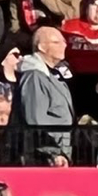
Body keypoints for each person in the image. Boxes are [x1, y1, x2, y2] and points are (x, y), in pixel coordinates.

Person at [11, 25, 75, 164]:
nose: (64, 45)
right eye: (56, 42)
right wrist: (52, 152)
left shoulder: (53, 76)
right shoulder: (34, 77)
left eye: (64, 41)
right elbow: (34, 120)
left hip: (60, 152)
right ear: (41, 47)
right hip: (44, 158)